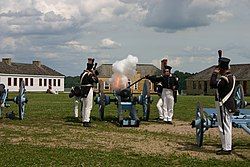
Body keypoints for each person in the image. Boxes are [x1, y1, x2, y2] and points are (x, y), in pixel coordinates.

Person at [210, 56, 236, 155]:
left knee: (224, 127)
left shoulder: (225, 79)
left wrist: (214, 73)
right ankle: (226, 146)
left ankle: (226, 148)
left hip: (223, 104)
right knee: (226, 126)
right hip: (228, 104)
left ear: (222, 68)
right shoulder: (232, 77)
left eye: (219, 68)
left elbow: (212, 84)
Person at [80, 58, 99, 127]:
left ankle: (83, 119)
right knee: (88, 106)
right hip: (88, 89)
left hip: (83, 89)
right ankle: (86, 121)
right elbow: (96, 80)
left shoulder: (83, 74)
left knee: (84, 106)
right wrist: (94, 74)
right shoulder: (89, 74)